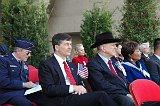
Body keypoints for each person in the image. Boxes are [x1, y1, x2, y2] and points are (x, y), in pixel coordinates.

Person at [38, 33, 118, 106]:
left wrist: (81, 88)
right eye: (66, 44)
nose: (70, 47)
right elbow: (48, 89)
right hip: (60, 100)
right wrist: (73, 88)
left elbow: (79, 83)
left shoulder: (71, 65)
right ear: (57, 47)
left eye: (70, 44)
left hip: (76, 97)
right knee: (101, 95)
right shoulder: (46, 64)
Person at [87, 32, 134, 106]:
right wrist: (126, 94)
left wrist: (133, 88)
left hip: (124, 91)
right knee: (127, 101)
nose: (115, 47)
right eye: (113, 45)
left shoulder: (114, 60)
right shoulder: (93, 64)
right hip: (110, 95)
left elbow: (122, 79)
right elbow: (102, 85)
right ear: (103, 48)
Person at [0, 38, 45, 106]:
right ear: (18, 51)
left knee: (45, 100)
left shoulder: (24, 62)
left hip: (24, 91)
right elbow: (2, 81)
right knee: (26, 104)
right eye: (27, 52)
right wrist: (23, 84)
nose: (29, 55)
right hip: (9, 93)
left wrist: (33, 85)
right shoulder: (4, 61)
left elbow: (24, 78)